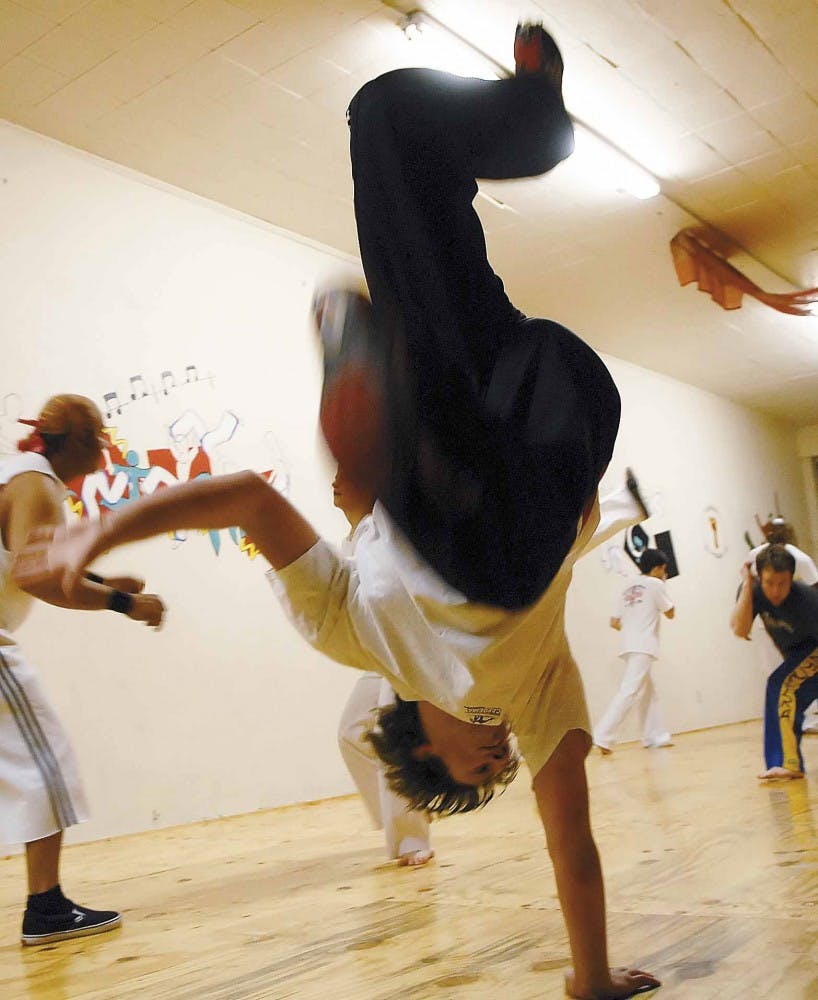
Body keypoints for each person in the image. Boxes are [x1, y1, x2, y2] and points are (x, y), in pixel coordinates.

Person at [16, 24, 661, 999]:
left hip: (446, 431)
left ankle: (531, 121)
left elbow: (248, 499)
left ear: (420, 739)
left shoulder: (353, 635)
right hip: (526, 458)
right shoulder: (541, 699)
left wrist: (101, 526)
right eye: (500, 773)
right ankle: (374, 399)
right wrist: (590, 979)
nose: (496, 760)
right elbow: (571, 841)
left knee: (384, 116)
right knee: (522, 456)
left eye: (472, 769)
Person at [1, 394, 164, 945]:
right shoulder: (36, 482)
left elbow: (34, 561)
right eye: (98, 436)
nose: (105, 448)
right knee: (44, 760)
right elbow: (38, 577)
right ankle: (46, 909)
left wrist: (104, 583)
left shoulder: (22, 475)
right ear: (77, 440)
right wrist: (123, 604)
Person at [333, 466, 433, 867]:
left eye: (346, 474)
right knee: (350, 732)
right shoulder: (353, 538)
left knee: (392, 738)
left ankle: (412, 836)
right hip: (381, 654)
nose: (336, 481)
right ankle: (410, 807)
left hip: (409, 653)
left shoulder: (387, 531)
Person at [731, 544, 818, 780]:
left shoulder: (807, 599)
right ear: (760, 577)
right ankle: (782, 762)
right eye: (769, 583)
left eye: (782, 583)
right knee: (778, 688)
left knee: (782, 685)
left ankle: (787, 763)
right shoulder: (753, 592)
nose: (775, 591)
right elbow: (740, 629)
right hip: (798, 656)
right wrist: (747, 585)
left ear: (792, 578)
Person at [593, 549, 675, 755]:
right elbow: (671, 612)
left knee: (648, 693)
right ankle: (602, 736)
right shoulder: (656, 584)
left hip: (628, 645)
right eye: (663, 570)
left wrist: (633, 628)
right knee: (629, 691)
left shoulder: (627, 585)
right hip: (644, 646)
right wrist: (663, 585)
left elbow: (614, 622)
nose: (664, 574)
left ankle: (654, 736)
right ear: (656, 569)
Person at [746, 519, 818, 734]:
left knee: (798, 674)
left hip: (800, 627)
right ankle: (791, 721)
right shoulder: (757, 556)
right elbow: (748, 589)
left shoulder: (798, 558)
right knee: (777, 676)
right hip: (770, 624)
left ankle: (808, 718)